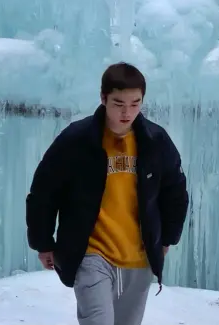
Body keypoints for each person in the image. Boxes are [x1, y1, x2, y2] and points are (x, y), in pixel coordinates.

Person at [26, 62, 189, 325]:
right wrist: (43, 242)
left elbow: (176, 193)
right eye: (119, 103)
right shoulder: (77, 140)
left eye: (135, 103)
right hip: (91, 253)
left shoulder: (155, 142)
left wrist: (167, 238)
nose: (127, 112)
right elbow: (43, 192)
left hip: (139, 257)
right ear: (103, 99)